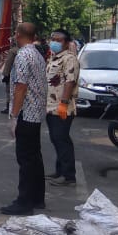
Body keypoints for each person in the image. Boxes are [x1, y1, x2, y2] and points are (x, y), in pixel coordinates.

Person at [2, 22, 48, 215]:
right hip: (36, 113)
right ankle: (37, 198)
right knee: (34, 156)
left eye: (15, 33)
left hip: (26, 113)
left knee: (26, 159)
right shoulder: (37, 54)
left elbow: (21, 87)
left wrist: (14, 116)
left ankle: (24, 202)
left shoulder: (22, 55)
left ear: (18, 35)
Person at [45, 28, 81, 187]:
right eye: (53, 39)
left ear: (66, 43)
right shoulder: (54, 57)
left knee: (61, 140)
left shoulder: (69, 59)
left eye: (58, 40)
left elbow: (69, 81)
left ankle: (68, 176)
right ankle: (59, 171)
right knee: (56, 139)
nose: (54, 42)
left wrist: (63, 103)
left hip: (62, 107)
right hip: (51, 106)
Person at [0, 39, 19, 114]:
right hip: (20, 75)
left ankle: (9, 108)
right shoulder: (23, 50)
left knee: (9, 92)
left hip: (12, 74)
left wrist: (5, 75)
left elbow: (8, 64)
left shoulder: (12, 51)